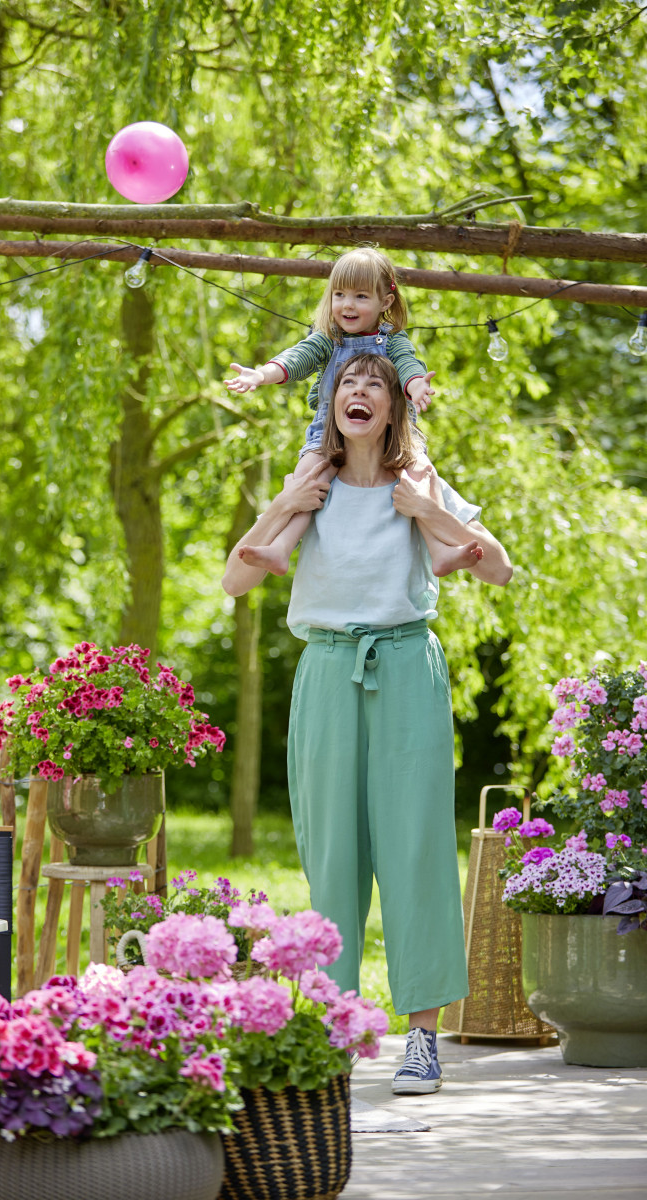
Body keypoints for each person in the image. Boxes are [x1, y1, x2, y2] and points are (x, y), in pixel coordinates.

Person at [222, 353, 513, 1095]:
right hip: (326, 671)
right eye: (346, 383)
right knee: (332, 855)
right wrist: (283, 503)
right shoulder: (310, 486)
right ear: (329, 402)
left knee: (415, 850)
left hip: (407, 667)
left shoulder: (418, 482)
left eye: (373, 384)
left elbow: (500, 568)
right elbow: (237, 579)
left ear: (392, 409)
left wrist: (430, 513)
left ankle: (421, 1039)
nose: (358, 391)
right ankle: (334, 1030)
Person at [224, 247, 481, 579]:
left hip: (394, 435)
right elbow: (297, 358)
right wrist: (262, 374)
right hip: (328, 433)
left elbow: (407, 365)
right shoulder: (328, 340)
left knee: (421, 476)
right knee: (306, 480)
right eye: (339, 294)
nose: (347, 304)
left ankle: (441, 550)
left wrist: (416, 386)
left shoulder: (393, 341)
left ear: (385, 302)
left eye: (360, 296)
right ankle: (281, 547)